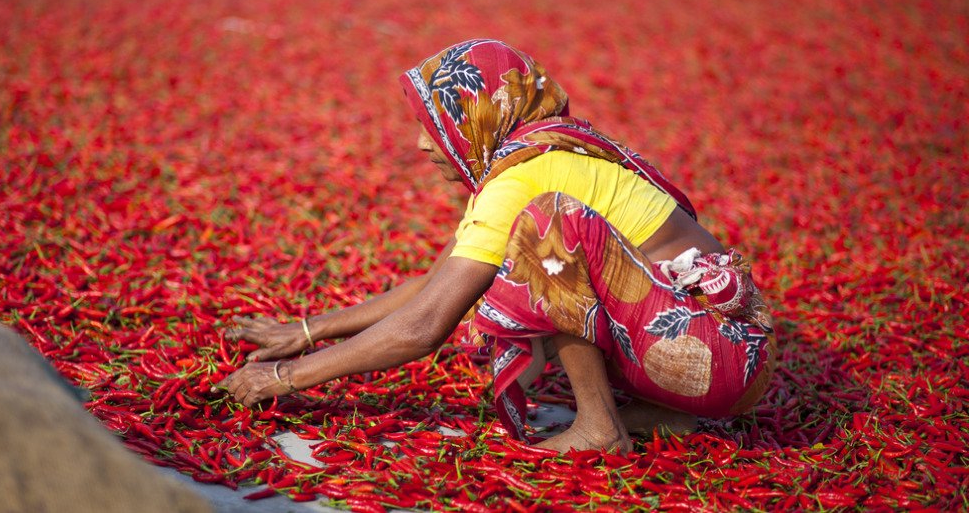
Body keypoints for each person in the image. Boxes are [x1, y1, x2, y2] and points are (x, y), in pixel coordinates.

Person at [219, 39, 777, 454]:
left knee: (552, 235)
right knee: (542, 245)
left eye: (435, 126)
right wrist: (308, 331)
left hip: (718, 356)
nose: (421, 144)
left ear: (479, 118)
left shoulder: (523, 178)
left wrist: (286, 378)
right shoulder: (535, 156)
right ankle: (666, 411)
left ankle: (599, 428)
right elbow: (435, 285)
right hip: (724, 353)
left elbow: (426, 325)